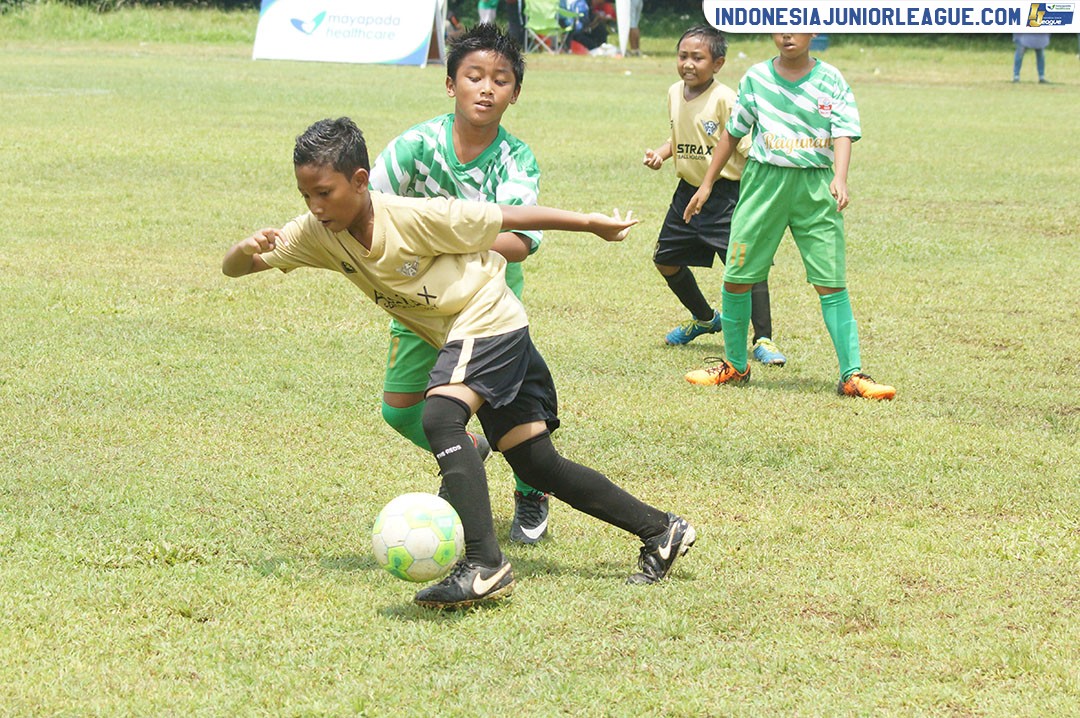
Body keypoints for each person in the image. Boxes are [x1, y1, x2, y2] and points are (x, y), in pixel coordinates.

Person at [222, 117, 696, 610]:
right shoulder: (319, 232)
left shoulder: (414, 217)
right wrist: (243, 250)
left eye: (324, 193)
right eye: (306, 196)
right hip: (483, 331)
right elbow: (239, 268)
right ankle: (662, 529)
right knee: (537, 463)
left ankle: (484, 565)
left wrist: (592, 225)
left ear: (361, 180)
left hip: (487, 318)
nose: (315, 206)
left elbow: (509, 215)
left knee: (440, 416)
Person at [368, 24, 551, 545]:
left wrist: (437, 240)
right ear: (451, 84)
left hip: (488, 303)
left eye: (501, 79)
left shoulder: (516, 159)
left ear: (516, 92)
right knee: (400, 409)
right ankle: (469, 450)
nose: (486, 88)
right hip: (419, 298)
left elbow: (519, 242)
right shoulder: (415, 146)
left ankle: (531, 488)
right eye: (474, 76)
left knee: (504, 410)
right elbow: (367, 206)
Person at [682, 33, 896, 401]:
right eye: (780, 22)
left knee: (830, 281)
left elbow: (843, 131)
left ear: (813, 30)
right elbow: (732, 134)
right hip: (764, 185)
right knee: (737, 276)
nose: (787, 33)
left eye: (797, 23)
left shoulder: (831, 79)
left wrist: (840, 177)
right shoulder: (756, 78)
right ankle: (735, 366)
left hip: (815, 187)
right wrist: (706, 184)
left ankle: (852, 375)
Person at [643, 25, 786, 366]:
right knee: (665, 259)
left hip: (726, 195)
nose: (688, 64)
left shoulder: (726, 99)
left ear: (718, 63)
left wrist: (761, 191)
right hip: (687, 193)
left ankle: (763, 339)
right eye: (683, 56)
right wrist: (661, 154)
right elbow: (680, 135)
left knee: (746, 267)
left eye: (698, 58)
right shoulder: (674, 92)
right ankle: (705, 318)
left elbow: (744, 145)